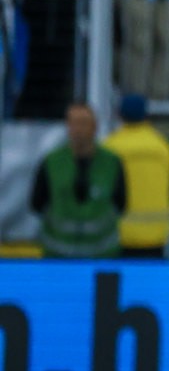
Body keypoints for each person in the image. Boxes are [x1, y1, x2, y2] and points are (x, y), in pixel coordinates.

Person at [31, 102, 126, 259]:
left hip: (102, 256)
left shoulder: (112, 163)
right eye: (73, 123)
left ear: (95, 127)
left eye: (83, 123)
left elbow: (122, 204)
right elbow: (36, 203)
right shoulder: (51, 162)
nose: (78, 130)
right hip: (58, 255)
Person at [103, 94, 169, 258]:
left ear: (119, 115)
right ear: (146, 115)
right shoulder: (162, 146)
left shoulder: (110, 147)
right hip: (156, 234)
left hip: (119, 235)